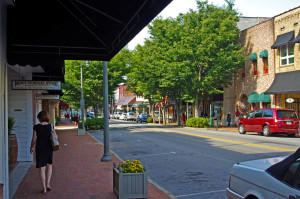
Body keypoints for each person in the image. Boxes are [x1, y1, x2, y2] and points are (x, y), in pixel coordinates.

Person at [30, 111, 58, 194]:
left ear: (39, 118)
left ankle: (44, 188)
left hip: (40, 148)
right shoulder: (50, 126)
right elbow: (56, 137)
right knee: (49, 165)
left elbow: (34, 139)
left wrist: (32, 147)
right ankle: (48, 184)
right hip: (49, 147)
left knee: (42, 167)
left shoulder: (36, 127)